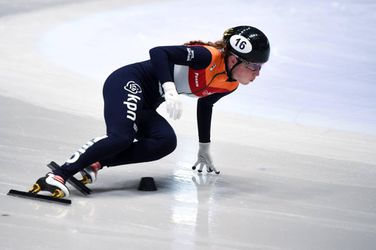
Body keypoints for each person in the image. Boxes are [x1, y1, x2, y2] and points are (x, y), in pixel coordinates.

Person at [30, 25, 270, 198]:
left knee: (164, 142)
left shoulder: (230, 84)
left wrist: (204, 147)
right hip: (128, 81)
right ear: (233, 59)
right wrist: (169, 87)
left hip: (147, 102)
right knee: (121, 137)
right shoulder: (207, 56)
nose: (257, 73)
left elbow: (206, 105)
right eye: (253, 66)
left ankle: (92, 164)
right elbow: (158, 52)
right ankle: (56, 177)